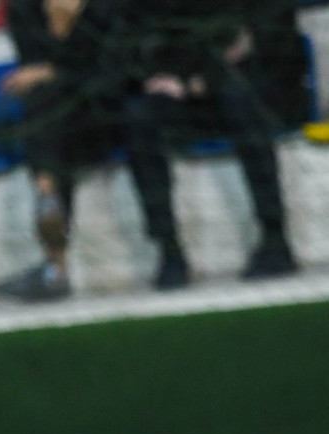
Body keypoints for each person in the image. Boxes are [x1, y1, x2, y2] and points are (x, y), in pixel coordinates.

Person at [121, 0, 298, 289]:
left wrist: (201, 80)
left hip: (248, 87)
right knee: (139, 116)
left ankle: (275, 237)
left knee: (241, 101)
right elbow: (140, 40)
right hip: (188, 90)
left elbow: (261, 44)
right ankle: (169, 250)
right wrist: (165, 77)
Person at [0, 0, 128, 303]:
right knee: (45, 104)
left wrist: (52, 70)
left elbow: (111, 77)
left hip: (106, 114)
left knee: (46, 107)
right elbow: (31, 69)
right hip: (61, 124)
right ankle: (49, 195)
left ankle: (54, 257)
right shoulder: (25, 8)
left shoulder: (105, 8)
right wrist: (51, 73)